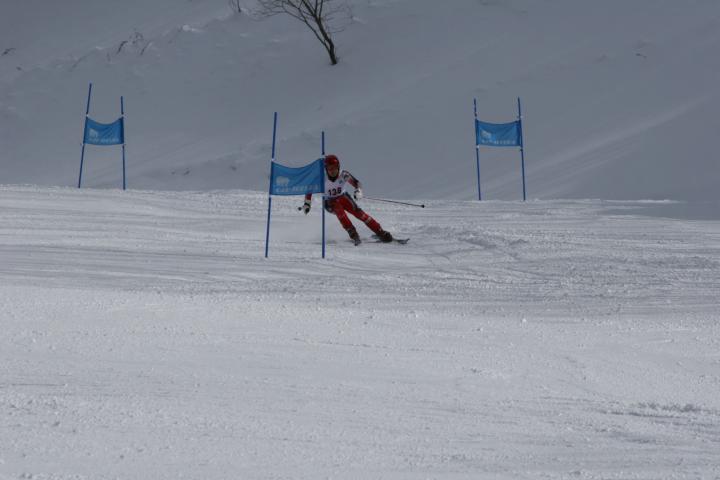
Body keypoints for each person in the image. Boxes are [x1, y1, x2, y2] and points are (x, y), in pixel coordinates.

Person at [302, 154, 393, 245]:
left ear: (338, 167)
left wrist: (358, 191)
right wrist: (307, 203)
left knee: (360, 214)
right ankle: (353, 233)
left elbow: (357, 183)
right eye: (330, 168)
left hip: (343, 197)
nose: (333, 171)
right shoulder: (321, 178)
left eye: (335, 168)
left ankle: (380, 232)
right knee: (338, 208)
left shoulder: (343, 174)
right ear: (326, 169)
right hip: (329, 202)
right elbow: (310, 189)